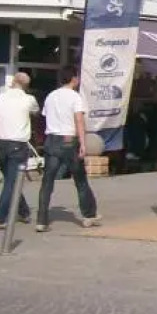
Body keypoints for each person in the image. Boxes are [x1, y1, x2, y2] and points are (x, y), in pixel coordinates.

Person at [37, 66, 100, 232]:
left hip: (52, 139)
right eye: (77, 77)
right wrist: (83, 142)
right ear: (73, 78)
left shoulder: (51, 96)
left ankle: (41, 219)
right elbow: (79, 120)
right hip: (69, 140)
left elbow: (45, 116)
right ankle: (89, 215)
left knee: (47, 181)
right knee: (80, 180)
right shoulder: (75, 97)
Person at [0, 72, 40, 228]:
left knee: (12, 179)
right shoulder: (29, 100)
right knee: (11, 182)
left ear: (12, 82)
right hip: (17, 145)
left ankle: (23, 211)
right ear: (26, 86)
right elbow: (36, 112)